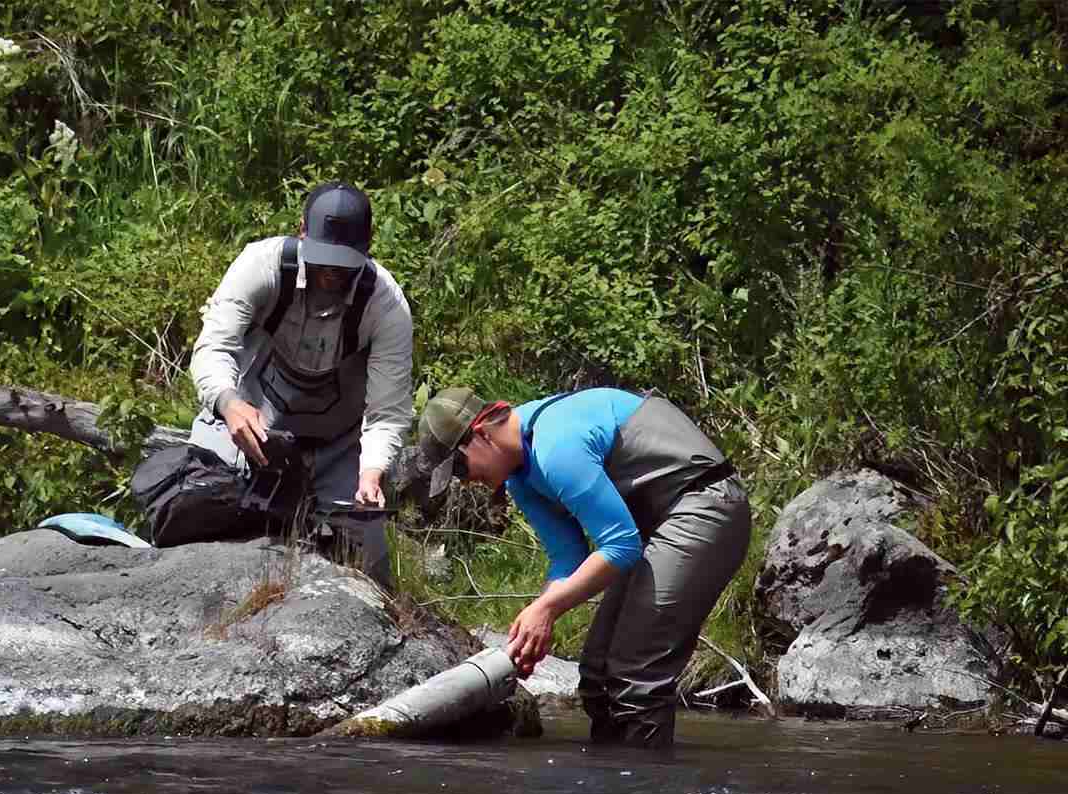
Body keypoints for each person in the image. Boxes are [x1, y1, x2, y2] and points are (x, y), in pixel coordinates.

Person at [417, 386, 750, 747]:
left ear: (481, 433)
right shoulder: (520, 475)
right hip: (655, 525)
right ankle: (607, 780)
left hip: (704, 506)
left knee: (636, 673)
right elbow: (567, 559)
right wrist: (533, 627)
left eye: (460, 467)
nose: (464, 480)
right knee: (597, 676)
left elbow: (621, 546)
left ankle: (645, 783)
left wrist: (547, 608)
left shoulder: (556, 446)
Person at [182, 181, 413, 587]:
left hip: (340, 448)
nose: (331, 270)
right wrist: (228, 402)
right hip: (247, 426)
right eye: (323, 257)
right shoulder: (261, 265)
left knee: (370, 570)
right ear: (301, 230)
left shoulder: (386, 304)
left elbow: (387, 412)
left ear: (368, 246)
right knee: (191, 515)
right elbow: (212, 349)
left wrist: (372, 472)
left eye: (344, 261)